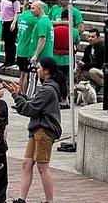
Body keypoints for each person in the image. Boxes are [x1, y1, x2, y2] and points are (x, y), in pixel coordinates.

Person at [8, 57, 65, 203]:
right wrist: (20, 95)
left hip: (44, 130)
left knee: (42, 167)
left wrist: (16, 96)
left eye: (39, 68)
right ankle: (21, 199)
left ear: (46, 71)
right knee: (27, 163)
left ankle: (49, 201)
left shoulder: (48, 89)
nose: (37, 70)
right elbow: (32, 103)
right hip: (37, 129)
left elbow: (30, 109)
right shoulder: (47, 87)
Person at [11, 1, 43, 90]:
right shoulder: (34, 19)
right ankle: (24, 93)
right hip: (27, 50)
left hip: (20, 48)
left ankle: (20, 93)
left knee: (22, 74)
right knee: (26, 75)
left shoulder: (22, 16)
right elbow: (43, 21)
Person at [75, 29, 105, 95]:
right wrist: (80, 66)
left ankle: (104, 86)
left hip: (102, 71)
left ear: (98, 38)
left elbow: (99, 64)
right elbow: (84, 59)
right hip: (91, 69)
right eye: (89, 37)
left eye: (93, 37)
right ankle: (82, 90)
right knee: (78, 71)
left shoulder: (103, 47)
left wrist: (84, 65)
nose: (90, 39)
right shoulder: (89, 47)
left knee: (92, 71)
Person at [0, 0, 21, 67]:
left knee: (11, 42)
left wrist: (14, 22)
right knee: (6, 43)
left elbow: (17, 12)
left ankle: (11, 60)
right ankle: (7, 60)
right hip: (4, 21)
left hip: (11, 22)